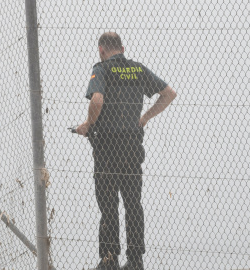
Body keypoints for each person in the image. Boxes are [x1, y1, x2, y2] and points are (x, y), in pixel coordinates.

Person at [76, 32, 177, 270]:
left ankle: (109, 259)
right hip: (132, 146)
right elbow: (169, 94)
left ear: (101, 50)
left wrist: (88, 124)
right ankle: (135, 261)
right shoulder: (138, 70)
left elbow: (97, 99)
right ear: (122, 48)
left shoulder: (101, 69)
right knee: (133, 202)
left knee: (108, 203)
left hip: (107, 148)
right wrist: (144, 118)